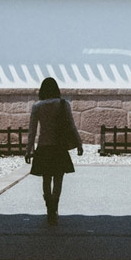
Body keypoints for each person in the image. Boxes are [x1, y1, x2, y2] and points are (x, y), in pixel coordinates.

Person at [25, 77, 83, 225]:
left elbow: (32, 130)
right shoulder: (63, 104)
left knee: (46, 178)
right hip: (59, 147)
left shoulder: (37, 106)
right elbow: (71, 125)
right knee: (58, 178)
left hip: (44, 146)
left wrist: (28, 150)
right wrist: (79, 143)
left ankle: (48, 206)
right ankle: (55, 207)